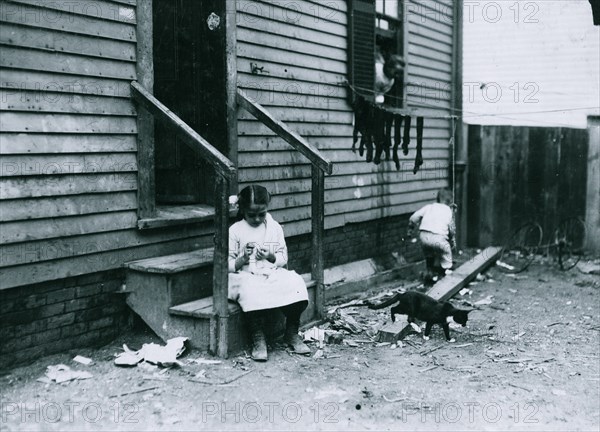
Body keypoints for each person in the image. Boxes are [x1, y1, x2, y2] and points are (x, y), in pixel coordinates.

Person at [228, 185, 310, 361]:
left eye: (262, 214)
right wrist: (242, 258)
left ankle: (291, 332)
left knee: (296, 283)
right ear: (242, 210)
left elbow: (283, 257)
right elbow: (227, 264)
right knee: (250, 290)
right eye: (251, 215)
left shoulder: (274, 227)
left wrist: (271, 257)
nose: (257, 219)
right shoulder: (235, 230)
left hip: (270, 272)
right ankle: (258, 338)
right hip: (244, 275)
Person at [408, 188, 457, 285]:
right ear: (450, 201)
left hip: (424, 236)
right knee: (446, 254)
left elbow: (413, 217)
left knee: (429, 254)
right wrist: (452, 239)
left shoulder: (429, 207)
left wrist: (411, 227)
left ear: (437, 198)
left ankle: (429, 273)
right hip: (439, 237)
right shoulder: (448, 211)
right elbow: (451, 229)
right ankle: (446, 274)